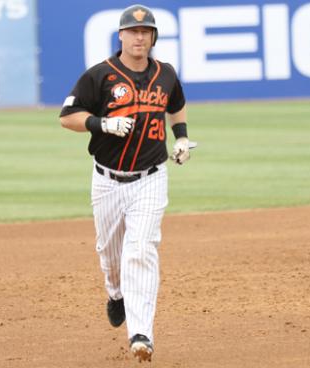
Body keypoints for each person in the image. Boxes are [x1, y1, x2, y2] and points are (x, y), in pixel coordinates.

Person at [59, 4, 192, 363]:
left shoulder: (166, 74)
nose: (139, 37)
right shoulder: (100, 75)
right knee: (110, 254)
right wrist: (101, 124)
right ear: (121, 36)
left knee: (141, 250)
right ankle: (115, 293)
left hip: (151, 178)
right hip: (106, 179)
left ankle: (141, 334)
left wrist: (180, 138)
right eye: (133, 32)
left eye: (146, 32)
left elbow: (176, 105)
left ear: (153, 38)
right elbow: (68, 117)